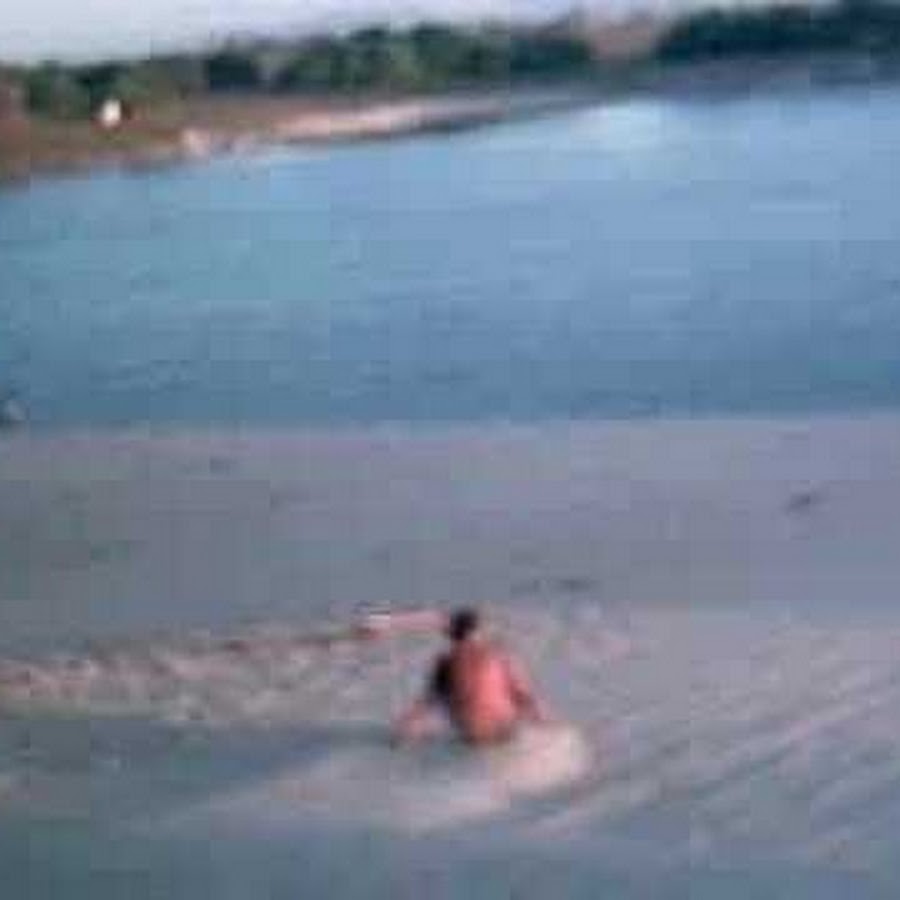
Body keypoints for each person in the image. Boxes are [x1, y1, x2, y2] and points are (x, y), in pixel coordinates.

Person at [393, 607, 550, 746]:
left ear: (452, 634)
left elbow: (428, 701)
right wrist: (547, 724)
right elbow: (523, 694)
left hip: (472, 736)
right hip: (504, 730)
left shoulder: (445, 661)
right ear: (478, 631)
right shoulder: (498, 654)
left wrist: (404, 731)